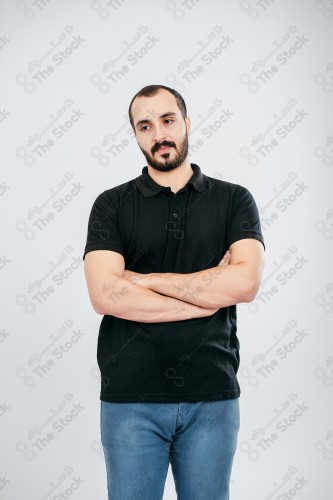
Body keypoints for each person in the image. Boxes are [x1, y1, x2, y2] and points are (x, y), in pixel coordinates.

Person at [83, 84, 265, 500]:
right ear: (135, 135)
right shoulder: (110, 205)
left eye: (167, 120)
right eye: (144, 126)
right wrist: (207, 296)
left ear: (186, 122)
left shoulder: (234, 200)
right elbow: (105, 296)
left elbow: (245, 284)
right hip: (130, 401)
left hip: (212, 398)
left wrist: (142, 280)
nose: (158, 134)